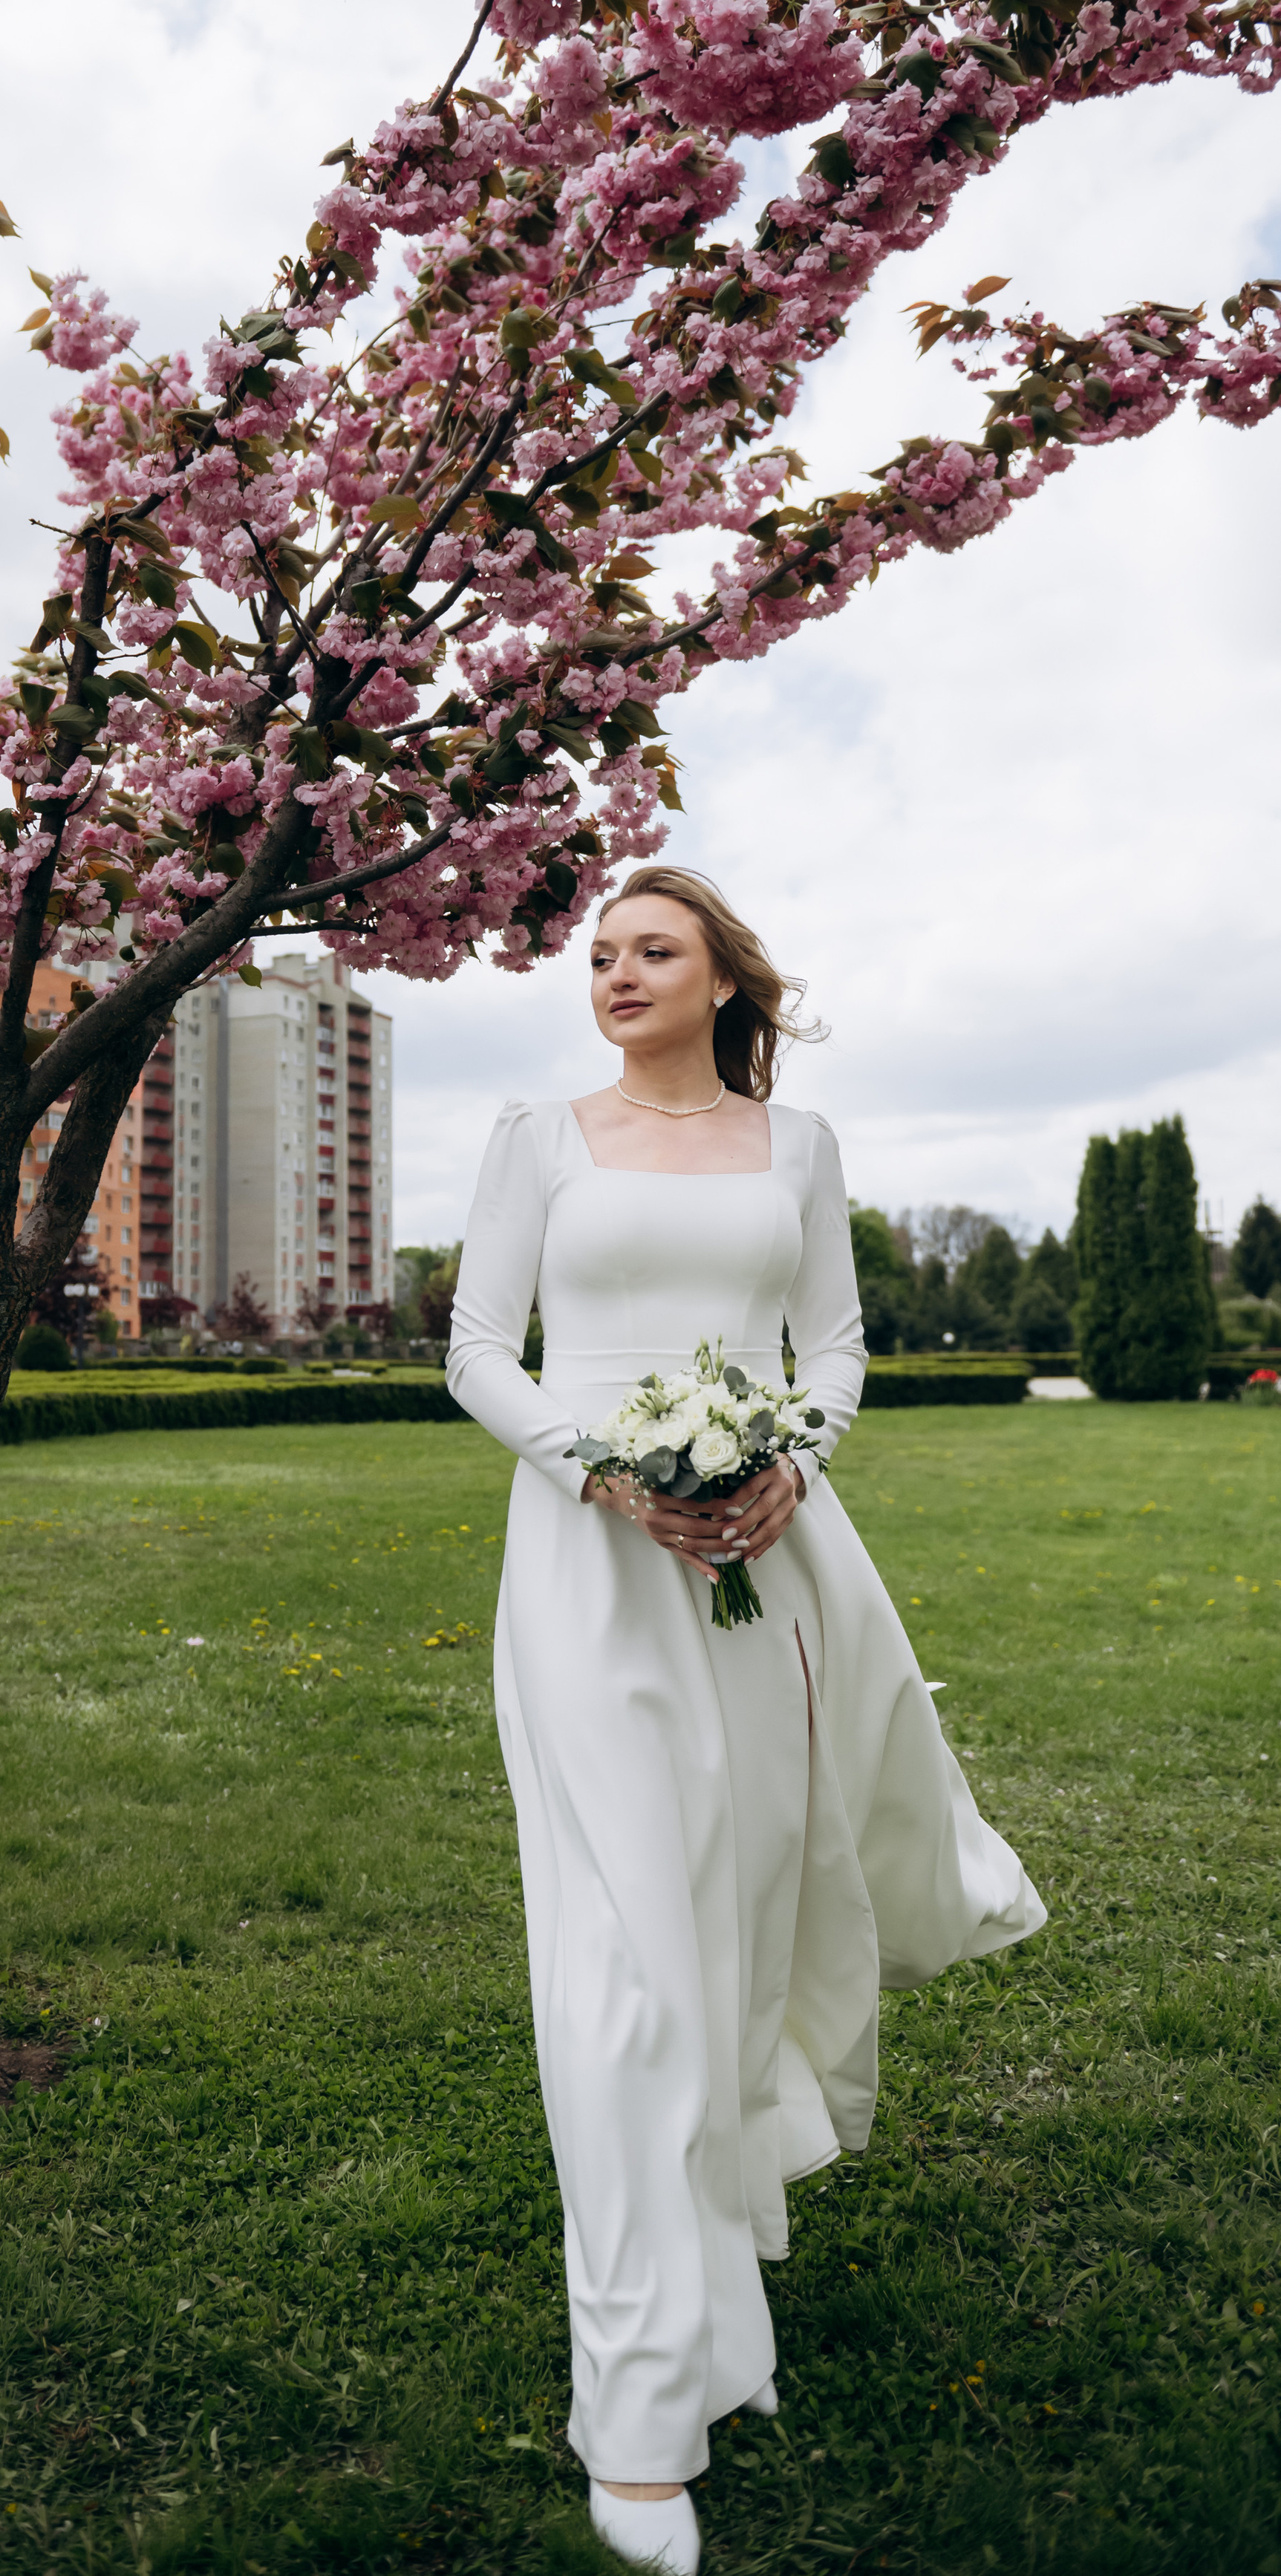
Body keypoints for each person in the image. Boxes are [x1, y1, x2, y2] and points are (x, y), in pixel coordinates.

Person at [445, 867, 1044, 2572]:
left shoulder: (799, 1146)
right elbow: (477, 1349)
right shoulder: (534, 1140)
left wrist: (789, 1459)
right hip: (587, 1567)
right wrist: (601, 1473)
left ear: (722, 979)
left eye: (651, 950)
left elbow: (832, 1348)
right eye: (597, 954)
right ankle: (637, 2419)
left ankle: (714, 2268)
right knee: (625, 1969)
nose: (614, 972)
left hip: (766, 1561)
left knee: (733, 1935)